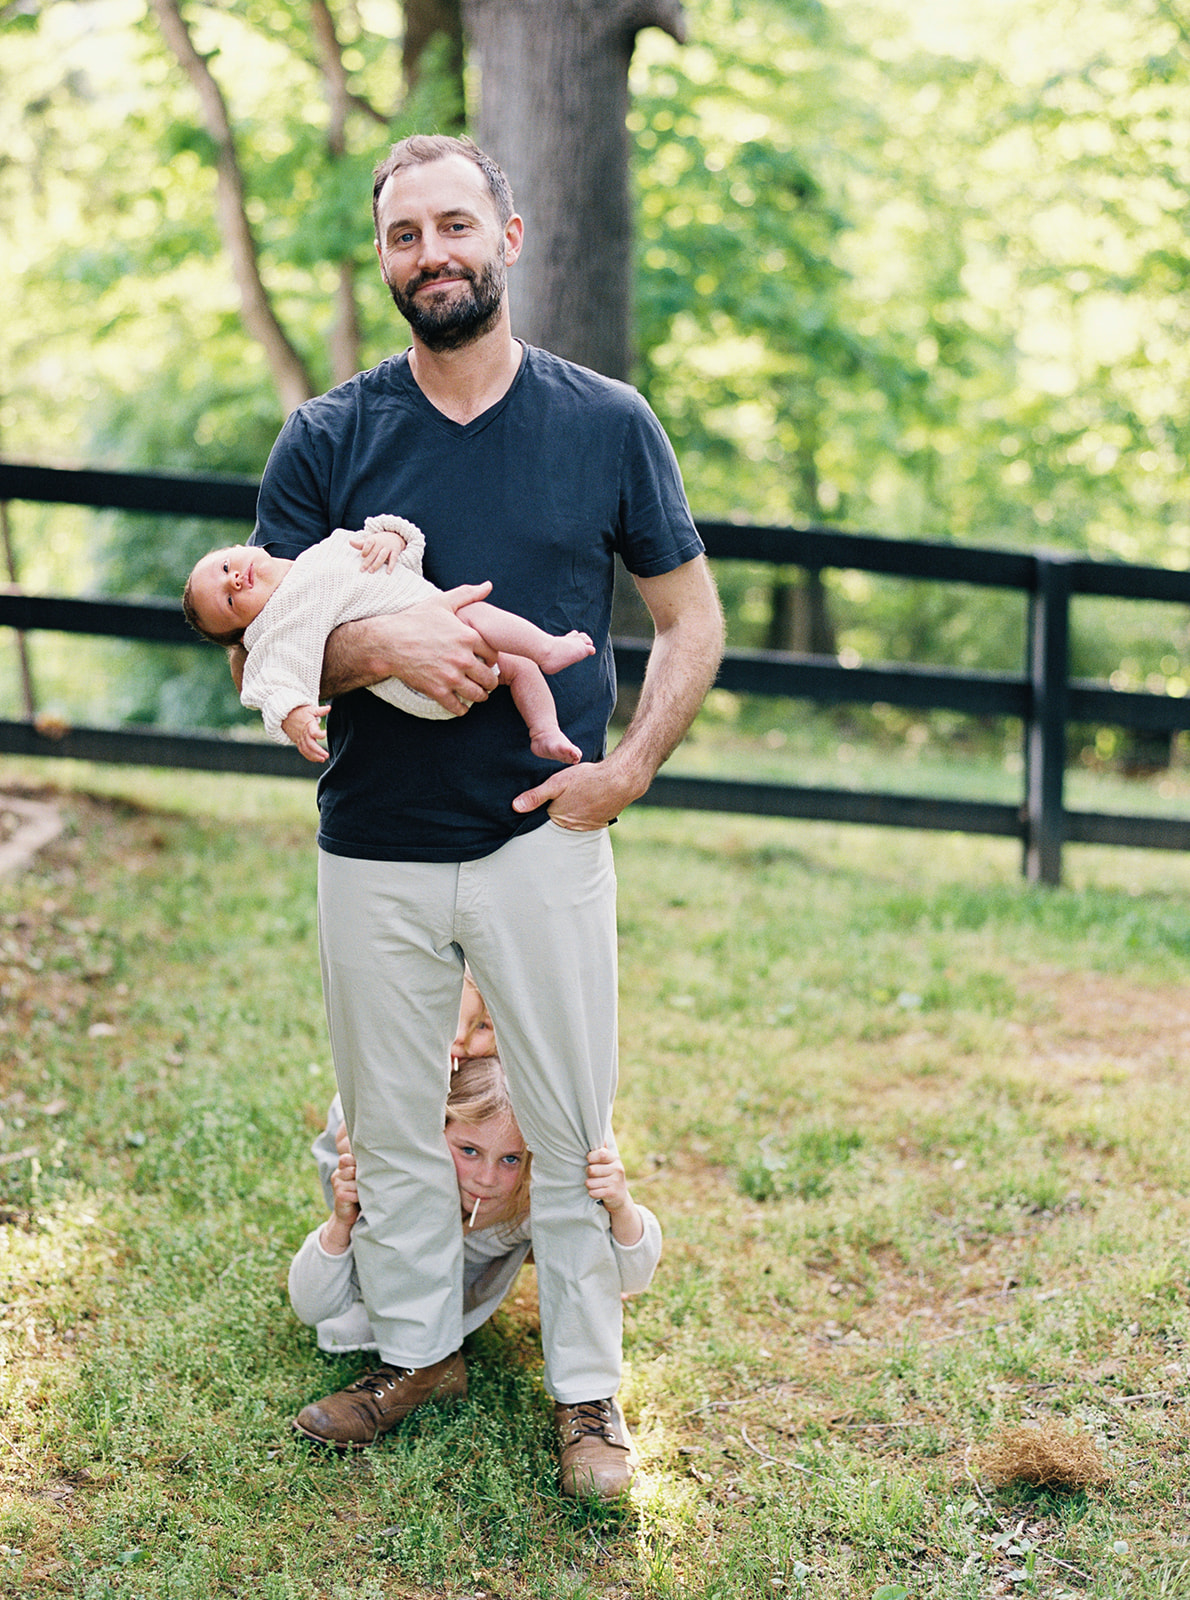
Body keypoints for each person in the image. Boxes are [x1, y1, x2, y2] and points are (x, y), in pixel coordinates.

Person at [245, 132, 723, 1498]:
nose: (431, 254)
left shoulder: (606, 420)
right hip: (372, 850)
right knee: (390, 1125)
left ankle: (587, 1395)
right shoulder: (327, 437)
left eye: (454, 226)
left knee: (570, 1123)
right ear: (384, 259)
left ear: (508, 235)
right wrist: (378, 652)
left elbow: (690, 619)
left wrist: (624, 768)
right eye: (404, 236)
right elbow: (261, 654)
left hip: (540, 837)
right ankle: (412, 1351)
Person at [288, 1055, 662, 1477]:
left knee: (574, 1231)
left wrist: (620, 1207)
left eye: (510, 1159)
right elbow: (309, 1305)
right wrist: (342, 1220)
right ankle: (420, 1366)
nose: (486, 1178)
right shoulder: (397, 1186)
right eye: (468, 1150)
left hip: (477, 1278)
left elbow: (634, 1276)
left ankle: (587, 1405)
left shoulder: (530, 1197)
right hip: (384, 1298)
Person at [183, 513, 593, 765]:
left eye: (224, 568)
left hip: (440, 619)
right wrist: (295, 717)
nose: (234, 580)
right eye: (231, 601)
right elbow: (271, 685)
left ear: (239, 547)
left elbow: (396, 545)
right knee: (474, 614)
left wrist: (390, 538)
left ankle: (544, 731)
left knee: (515, 664)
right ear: (246, 630)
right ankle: (547, 647)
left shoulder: (320, 553)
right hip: (419, 683)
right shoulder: (278, 629)